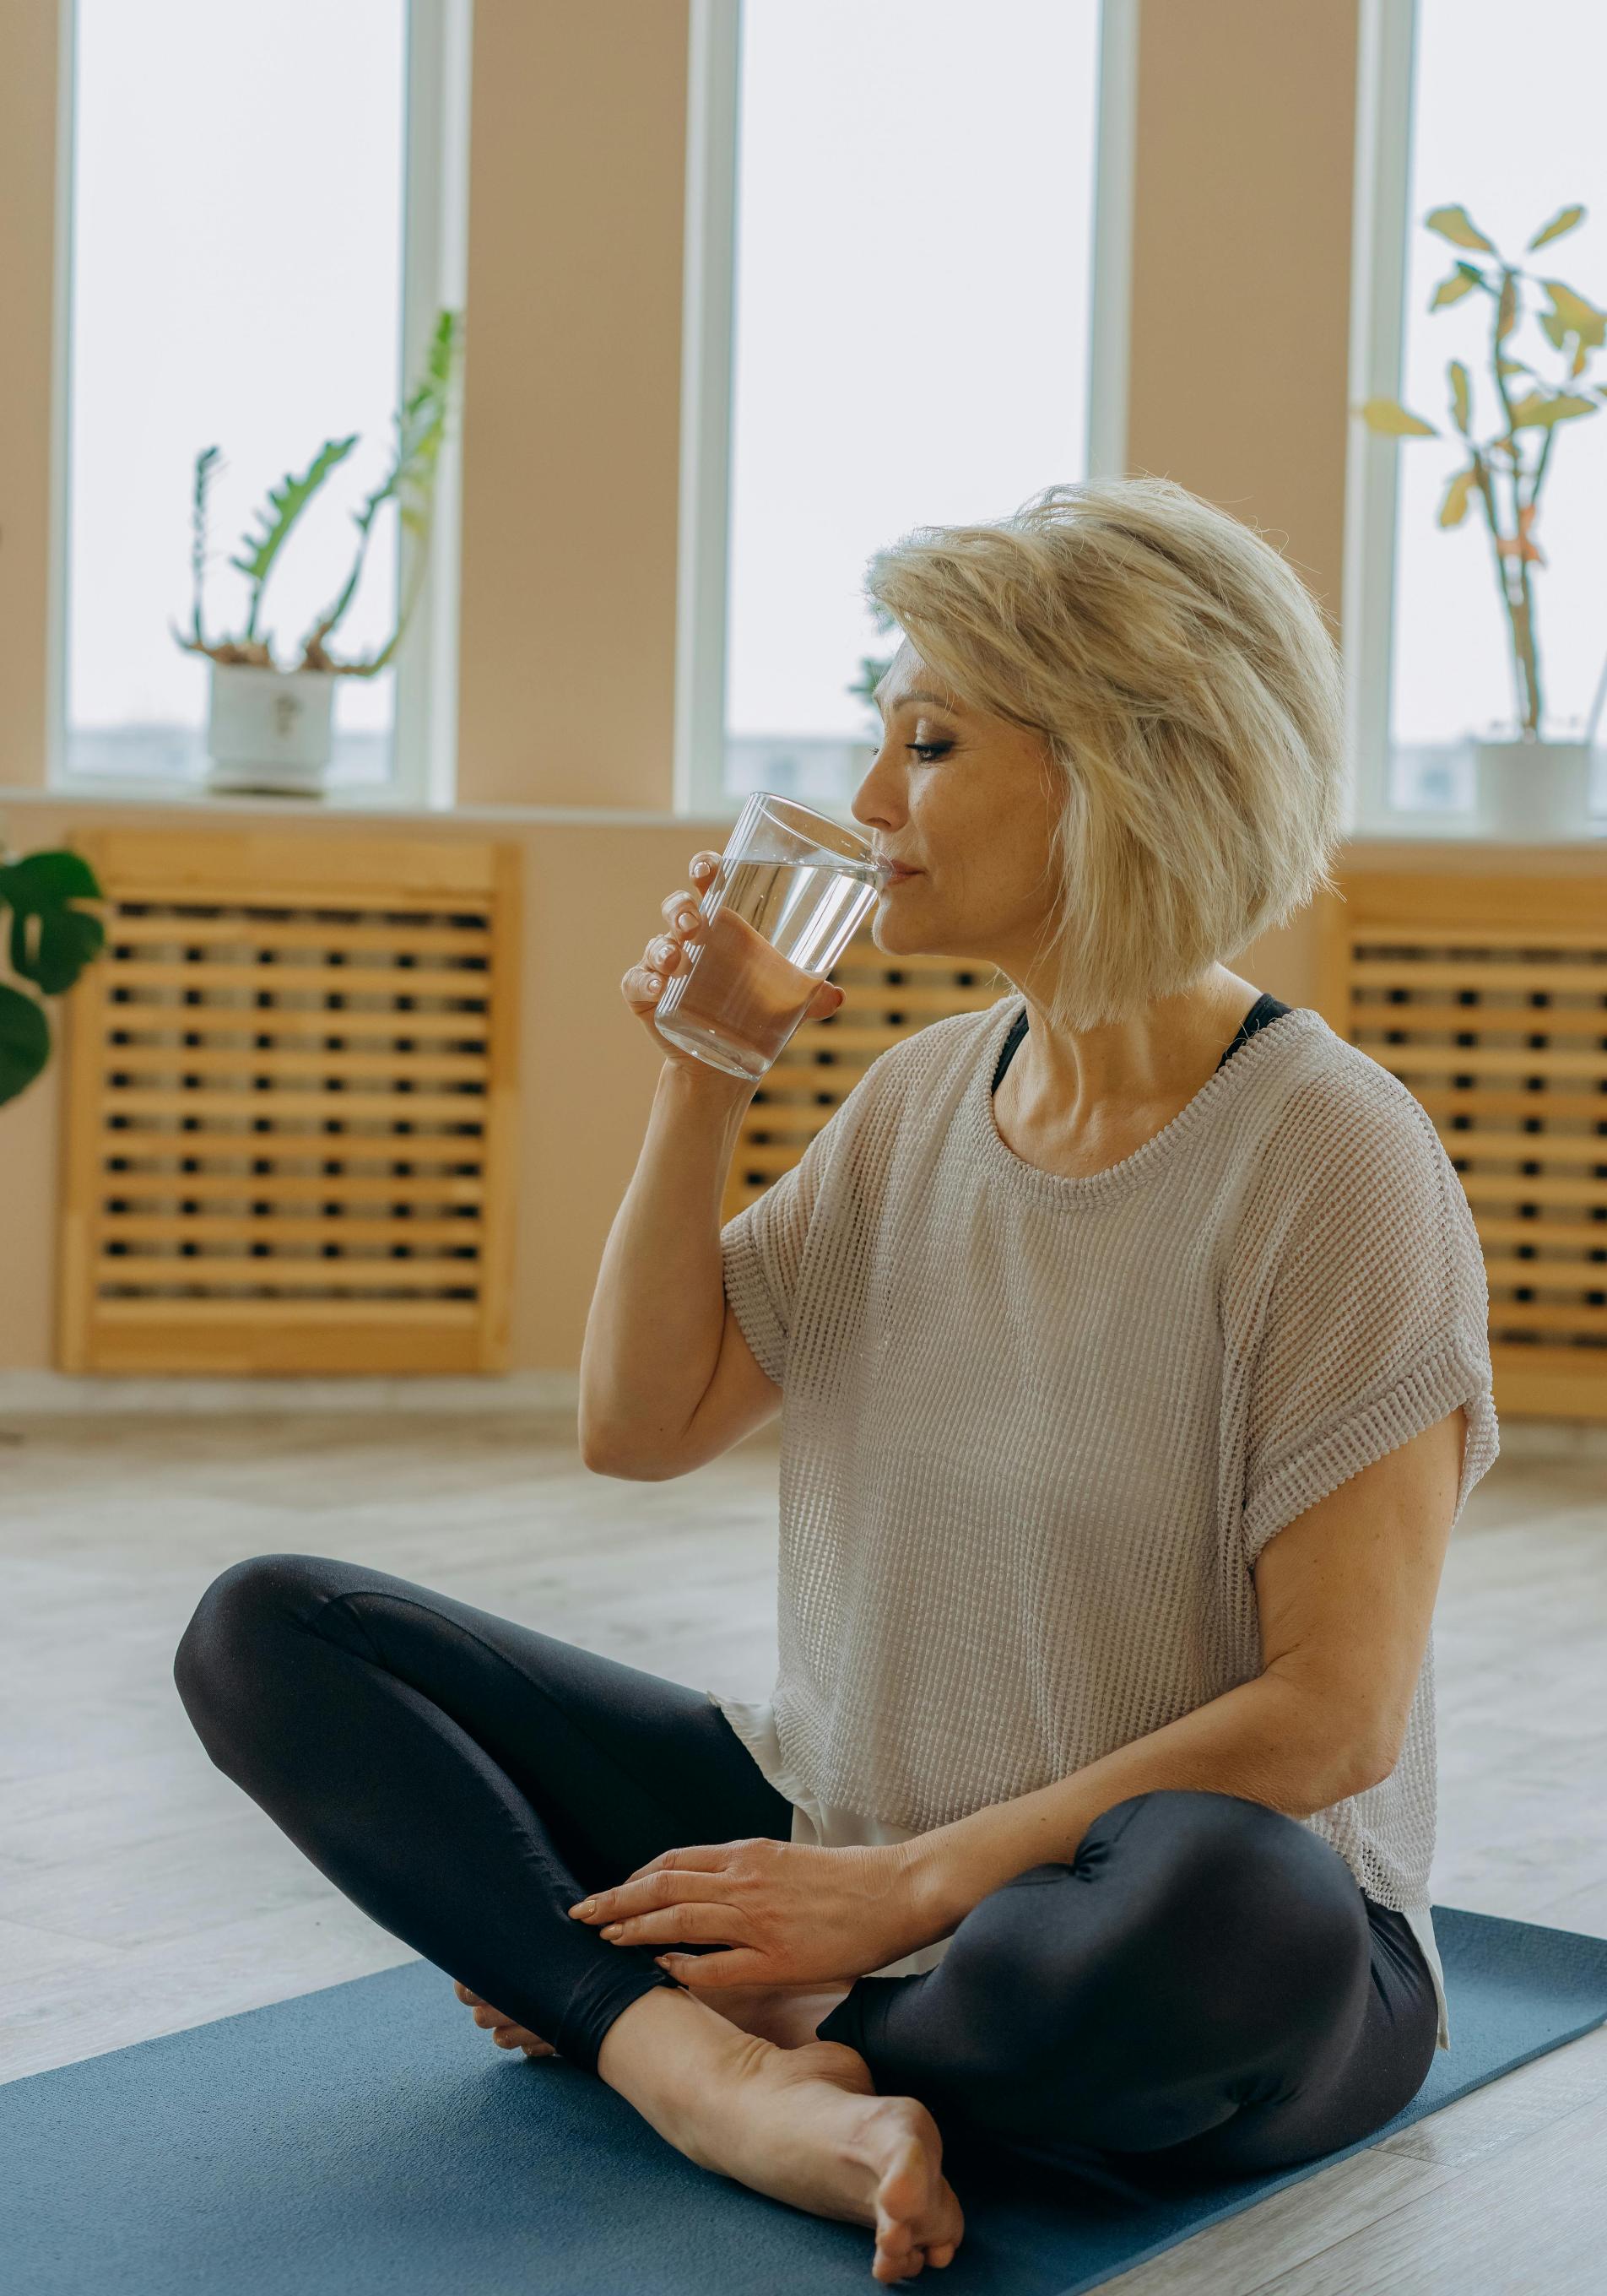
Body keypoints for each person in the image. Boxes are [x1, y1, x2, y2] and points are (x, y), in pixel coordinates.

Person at [176, 475, 1498, 2286]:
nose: (871, 802)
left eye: (932, 742)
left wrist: (903, 1893)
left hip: (1125, 1916)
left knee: (1221, 1907)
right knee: (273, 1628)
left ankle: (779, 2036)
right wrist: (702, 1071)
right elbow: (637, 1430)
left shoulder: (1331, 1157)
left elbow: (1332, 1721)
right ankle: (713, 2073)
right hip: (840, 1837)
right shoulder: (918, 1102)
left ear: (1126, 762)